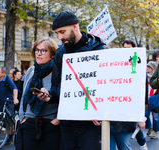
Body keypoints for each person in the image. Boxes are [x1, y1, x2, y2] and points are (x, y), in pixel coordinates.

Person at [39, 11, 108, 150]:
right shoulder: (60, 54)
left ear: (75, 26)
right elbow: (57, 87)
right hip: (68, 123)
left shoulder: (99, 49)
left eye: (62, 32)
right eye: (57, 33)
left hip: (91, 124)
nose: (60, 37)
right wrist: (48, 95)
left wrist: (101, 111)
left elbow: (106, 86)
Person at [18, 37, 61, 150]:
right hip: (29, 124)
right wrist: (22, 118)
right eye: (37, 50)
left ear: (52, 54)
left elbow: (63, 99)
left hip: (50, 125)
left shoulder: (58, 72)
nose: (39, 53)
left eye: (43, 51)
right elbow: (24, 96)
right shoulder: (31, 71)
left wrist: (56, 121)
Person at [110, 39, 147, 150]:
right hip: (109, 116)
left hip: (125, 119)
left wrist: (139, 117)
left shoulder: (139, 68)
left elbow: (142, 95)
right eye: (124, 48)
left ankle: (142, 142)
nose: (126, 51)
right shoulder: (114, 66)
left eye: (128, 48)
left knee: (124, 147)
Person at [0, 67, 18, 146]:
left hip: (8, 103)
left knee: (10, 122)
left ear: (3, 73)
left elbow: (14, 89)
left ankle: (10, 138)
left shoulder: (8, 79)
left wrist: (15, 99)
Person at [145, 61, 159, 139]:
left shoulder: (156, 75)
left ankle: (155, 132)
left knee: (156, 117)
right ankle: (149, 126)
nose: (147, 68)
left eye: (149, 67)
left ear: (153, 68)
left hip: (155, 99)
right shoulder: (144, 74)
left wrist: (150, 76)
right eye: (147, 66)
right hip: (146, 99)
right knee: (145, 115)